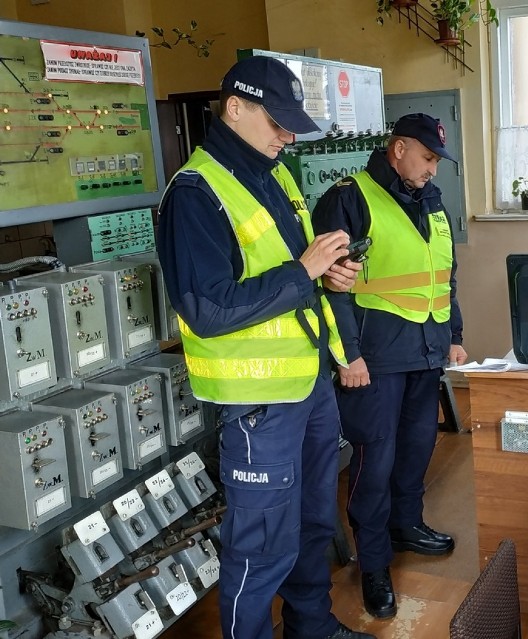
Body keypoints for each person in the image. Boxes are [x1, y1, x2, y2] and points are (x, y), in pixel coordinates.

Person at [157, 55, 374, 639]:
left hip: (309, 384)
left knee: (309, 525)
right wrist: (305, 271)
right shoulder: (196, 193)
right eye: (277, 120)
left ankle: (313, 628)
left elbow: (287, 273)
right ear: (234, 108)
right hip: (258, 405)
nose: (287, 134)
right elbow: (206, 307)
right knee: (259, 550)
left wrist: (329, 274)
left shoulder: (275, 172)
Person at [311, 112, 468, 620]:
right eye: (427, 159)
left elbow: (444, 272)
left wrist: (455, 335)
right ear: (399, 149)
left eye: (436, 162)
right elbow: (327, 285)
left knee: (418, 449)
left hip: (425, 349)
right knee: (374, 461)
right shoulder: (349, 198)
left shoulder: (430, 199)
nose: (432, 170)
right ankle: (374, 561)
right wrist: (347, 353)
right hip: (374, 359)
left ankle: (407, 524)